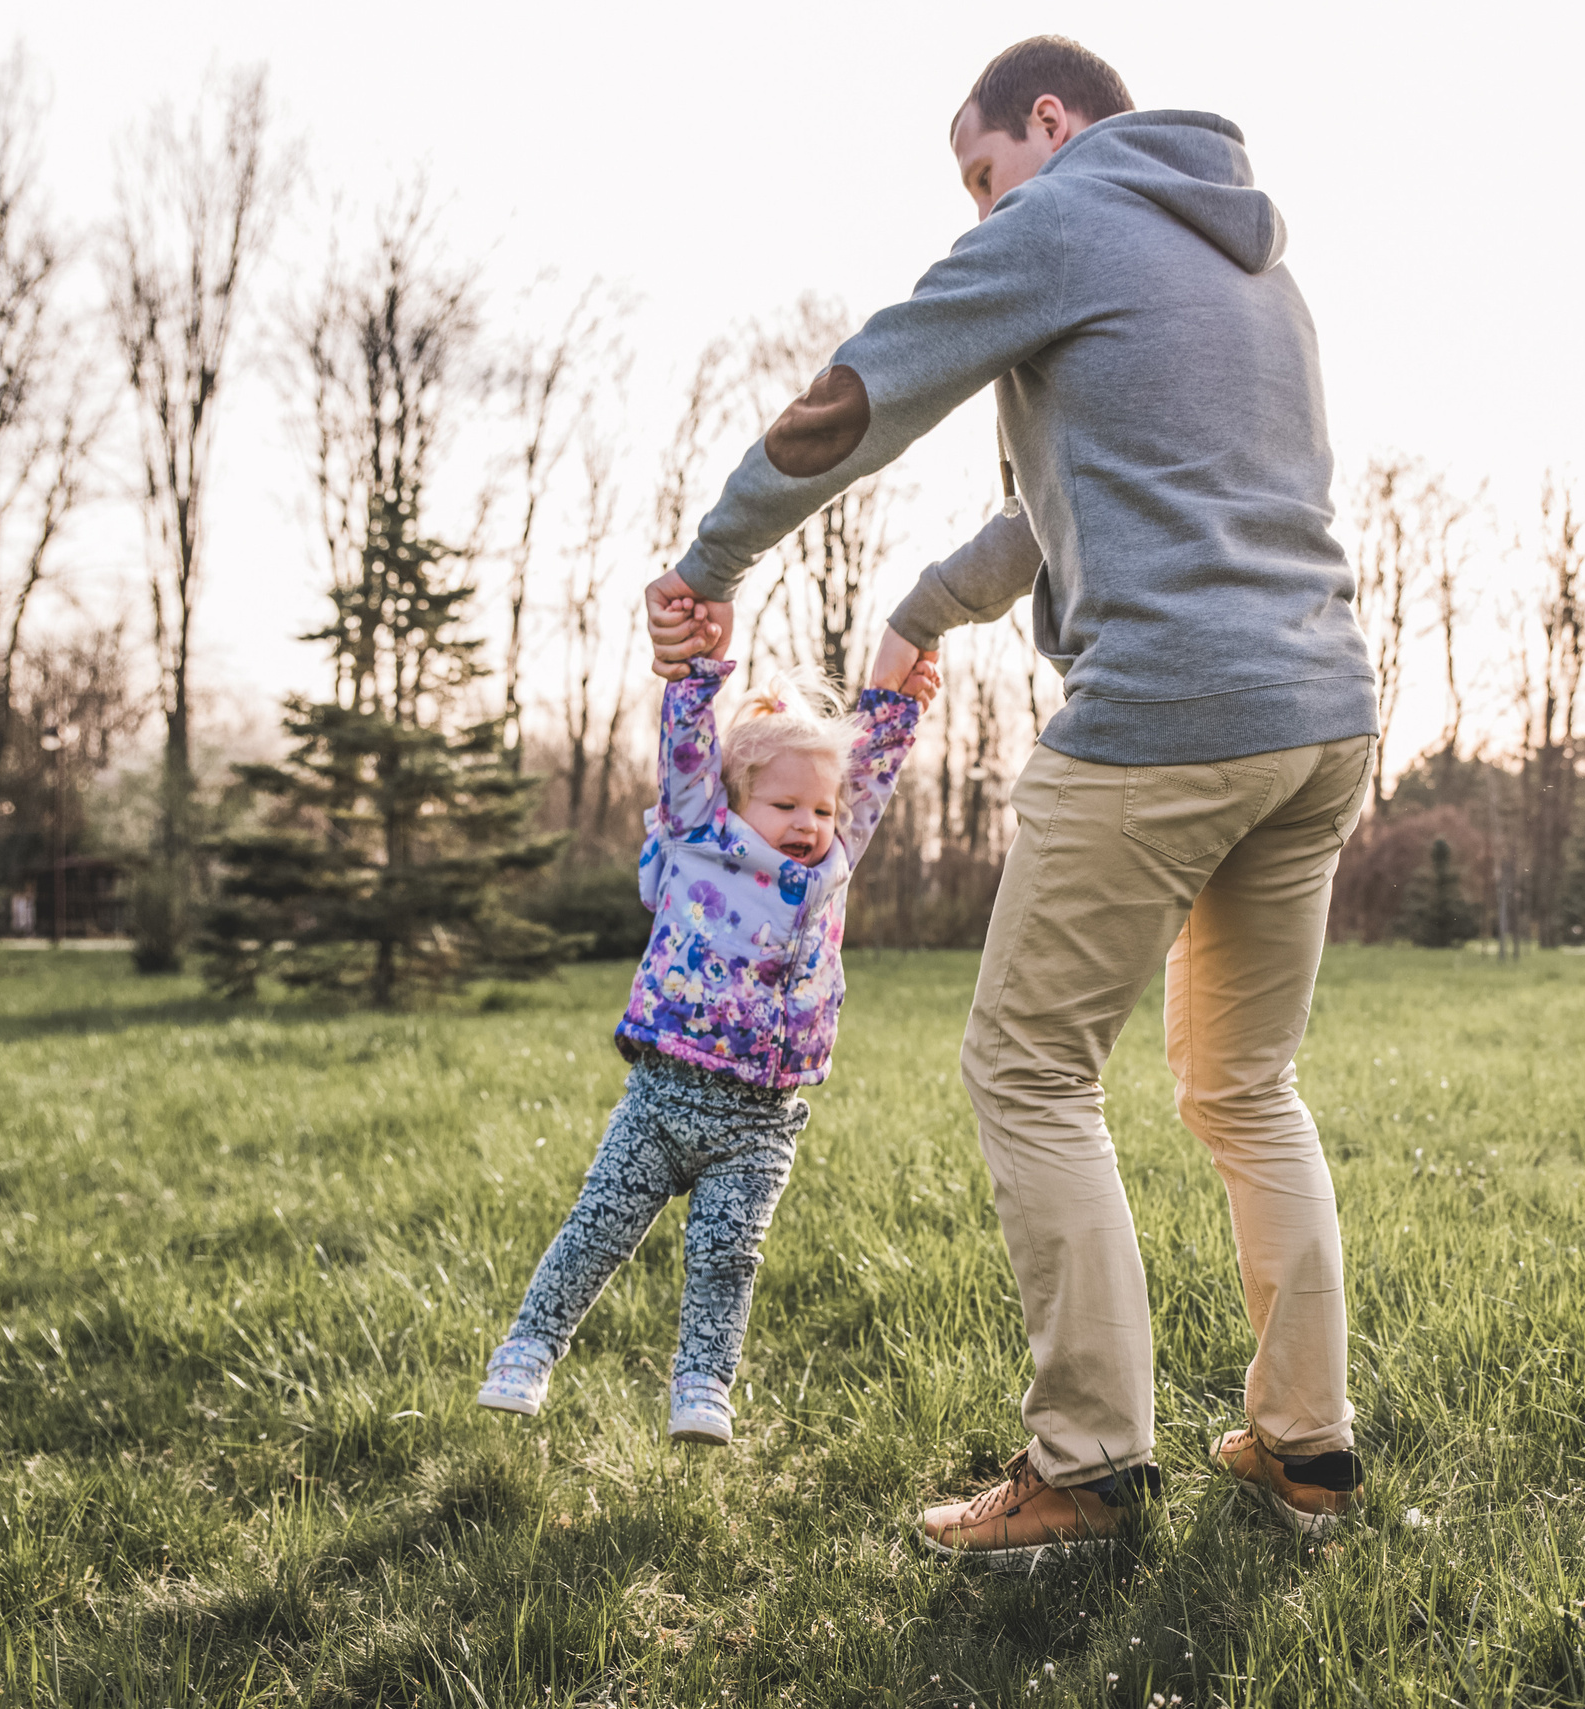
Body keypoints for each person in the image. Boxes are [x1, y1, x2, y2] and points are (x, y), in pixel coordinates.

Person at [644, 35, 1379, 1566]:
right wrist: (925, 603)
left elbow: (858, 399)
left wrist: (708, 565)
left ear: (1052, 123)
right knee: (1247, 1085)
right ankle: (1308, 1449)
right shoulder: (1254, 269)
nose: (983, 217)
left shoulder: (1065, 218)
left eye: (983, 178)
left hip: (1171, 708)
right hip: (1321, 713)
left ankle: (1091, 1468)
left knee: (1029, 1066)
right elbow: (1083, 498)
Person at [476, 651, 936, 1443]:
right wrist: (692, 678)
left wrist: (895, 706)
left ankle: (701, 1384)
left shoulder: (832, 865)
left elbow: (869, 779)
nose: (808, 824)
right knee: (598, 1228)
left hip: (761, 1118)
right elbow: (684, 751)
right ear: (735, 798)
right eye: (786, 804)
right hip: (663, 1094)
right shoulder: (700, 834)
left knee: (729, 1257)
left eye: (821, 811)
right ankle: (528, 1348)